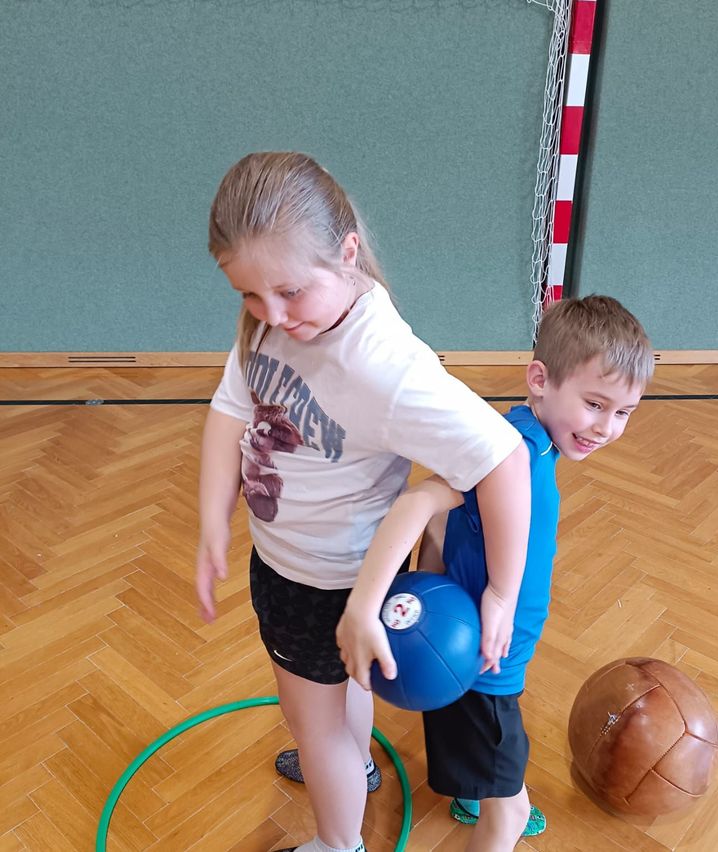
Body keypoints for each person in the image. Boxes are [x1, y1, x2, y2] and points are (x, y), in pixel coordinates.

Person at [195, 151, 531, 852]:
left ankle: (337, 840)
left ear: (347, 253)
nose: (273, 316)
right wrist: (209, 526)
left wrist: (501, 593)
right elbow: (230, 408)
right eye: (250, 296)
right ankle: (353, 769)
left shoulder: (388, 368)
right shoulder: (268, 322)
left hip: (327, 581)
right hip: (285, 561)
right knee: (339, 698)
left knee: (311, 727)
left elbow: (505, 456)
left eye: (289, 292)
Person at [336, 295, 655, 851]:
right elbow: (421, 503)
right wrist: (475, 594)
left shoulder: (531, 442)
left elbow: (446, 520)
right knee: (510, 809)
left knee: (486, 759)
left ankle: (472, 791)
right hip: (485, 665)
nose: (605, 427)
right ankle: (490, 804)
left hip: (492, 655)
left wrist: (445, 567)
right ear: (540, 379)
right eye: (595, 404)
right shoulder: (515, 452)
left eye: (623, 412)